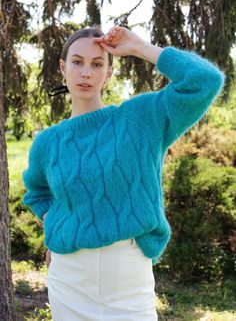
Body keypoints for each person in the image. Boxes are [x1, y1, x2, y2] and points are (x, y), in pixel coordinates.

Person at [22, 25, 225, 321]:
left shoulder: (139, 119)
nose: (86, 73)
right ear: (63, 68)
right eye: (77, 62)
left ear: (110, 73)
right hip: (69, 279)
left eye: (97, 64)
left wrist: (140, 47)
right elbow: (37, 192)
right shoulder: (47, 143)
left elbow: (204, 81)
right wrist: (54, 223)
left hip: (128, 280)